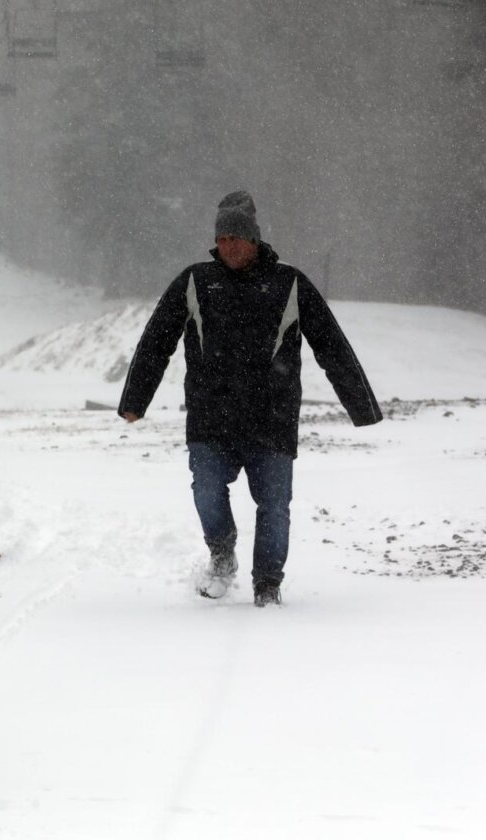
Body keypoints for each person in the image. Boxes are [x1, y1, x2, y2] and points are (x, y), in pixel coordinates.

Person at [117, 191, 382, 607]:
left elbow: (331, 345)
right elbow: (156, 341)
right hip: (210, 418)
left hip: (271, 419)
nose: (228, 246)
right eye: (221, 239)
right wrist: (136, 398)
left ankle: (268, 585)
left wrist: (361, 407)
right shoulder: (196, 281)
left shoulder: (289, 284)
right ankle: (222, 556)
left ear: (254, 240)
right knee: (206, 490)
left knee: (274, 506)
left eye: (235, 238)